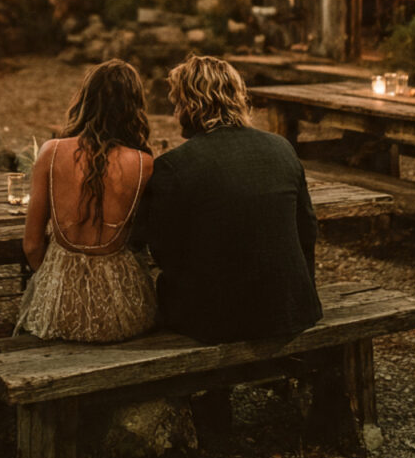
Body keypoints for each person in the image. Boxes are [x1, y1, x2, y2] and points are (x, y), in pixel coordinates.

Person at [134, 55, 322, 343]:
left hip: (217, 320)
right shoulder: (282, 148)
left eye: (177, 104)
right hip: (292, 307)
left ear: (191, 105)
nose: (175, 113)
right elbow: (307, 229)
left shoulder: (174, 166)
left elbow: (165, 252)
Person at [15, 59, 157, 342]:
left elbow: (31, 245)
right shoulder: (144, 163)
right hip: (122, 314)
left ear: (85, 100)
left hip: (58, 311)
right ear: (135, 107)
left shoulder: (51, 152)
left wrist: (54, 283)